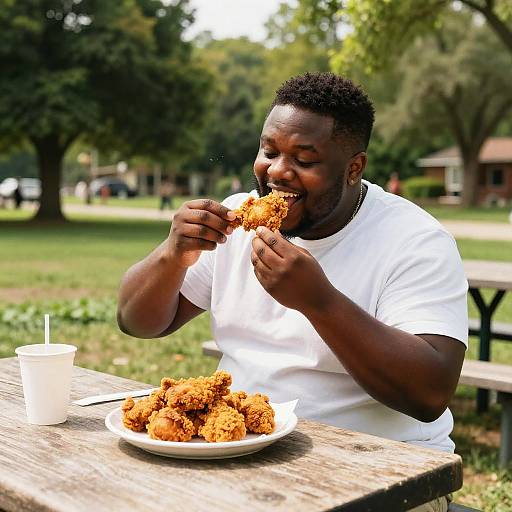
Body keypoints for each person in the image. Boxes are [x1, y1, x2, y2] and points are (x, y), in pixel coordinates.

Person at [117, 73, 467, 512]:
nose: (278, 171)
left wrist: (319, 301)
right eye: (269, 151)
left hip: (380, 469)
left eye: (305, 159)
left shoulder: (414, 240)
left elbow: (429, 394)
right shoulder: (238, 219)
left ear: (354, 168)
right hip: (241, 451)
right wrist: (172, 254)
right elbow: (139, 322)